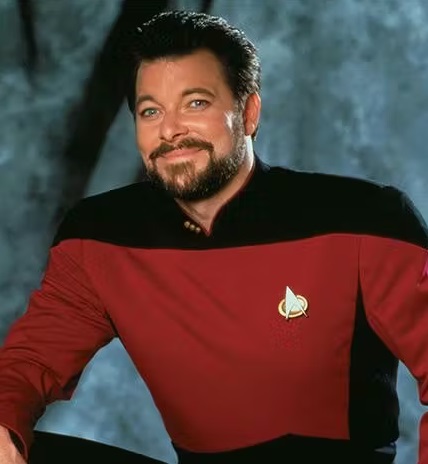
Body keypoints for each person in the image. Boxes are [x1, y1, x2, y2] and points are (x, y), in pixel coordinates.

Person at [0, 9, 427, 464]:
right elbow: (30, 363)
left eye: (196, 103)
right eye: (150, 111)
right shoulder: (98, 237)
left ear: (248, 113)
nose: (170, 129)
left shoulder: (366, 220)